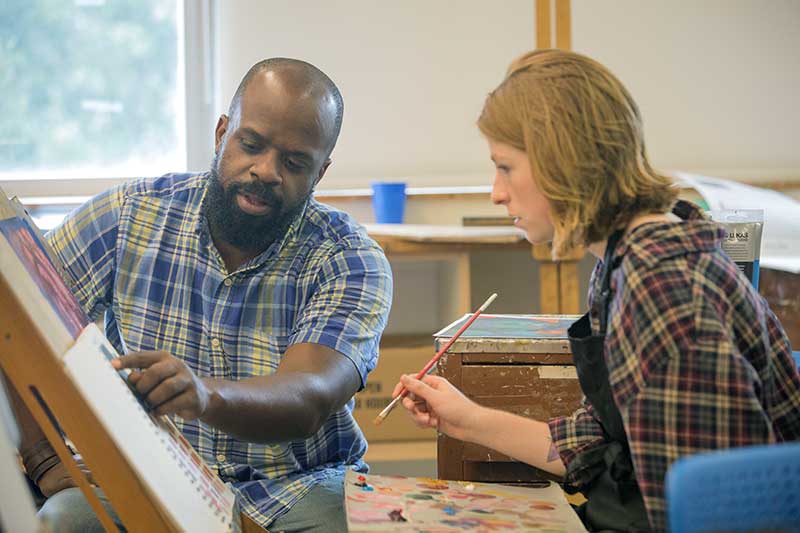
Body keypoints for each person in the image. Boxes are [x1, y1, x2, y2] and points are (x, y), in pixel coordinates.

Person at [394, 49, 800, 532]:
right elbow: (596, 440)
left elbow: (708, 516)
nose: (496, 193)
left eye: (504, 167)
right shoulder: (623, 261)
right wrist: (464, 420)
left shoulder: (664, 290)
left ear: (562, 163)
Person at [17, 57, 393, 532]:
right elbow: (16, 318)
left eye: (294, 162)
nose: (265, 171)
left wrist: (204, 396)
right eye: (251, 145)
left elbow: (310, 396)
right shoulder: (130, 216)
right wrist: (43, 456)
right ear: (222, 134)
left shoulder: (350, 257)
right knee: (63, 522)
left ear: (320, 173)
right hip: (151, 473)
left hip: (299, 487)